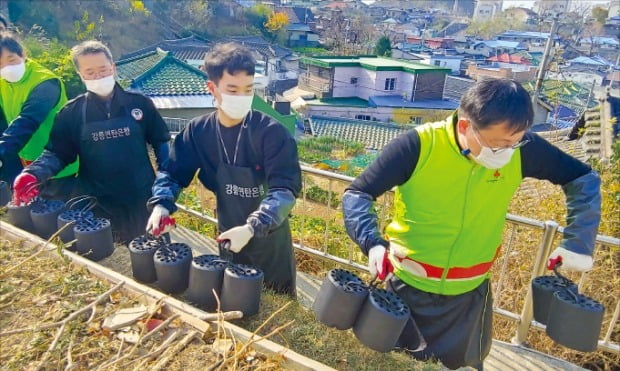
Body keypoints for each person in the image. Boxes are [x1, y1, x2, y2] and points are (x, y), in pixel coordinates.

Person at [342, 78, 601, 370]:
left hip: (469, 296)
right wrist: (372, 244)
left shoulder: (523, 149)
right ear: (465, 127)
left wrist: (578, 243)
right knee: (390, 364)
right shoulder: (418, 145)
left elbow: (583, 179)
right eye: (498, 143)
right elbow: (357, 193)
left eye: (515, 143)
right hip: (405, 290)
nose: (507, 151)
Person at [147, 43, 301, 295]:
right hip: (228, 232)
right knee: (233, 297)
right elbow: (173, 173)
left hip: (270, 236)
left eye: (248, 90)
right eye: (232, 89)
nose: (241, 97)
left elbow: (284, 190)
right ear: (212, 88)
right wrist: (162, 205)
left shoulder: (271, 133)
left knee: (275, 305)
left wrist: (252, 227)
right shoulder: (199, 131)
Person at [13, 40, 171, 244]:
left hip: (142, 198)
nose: (98, 76)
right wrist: (33, 173)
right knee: (110, 257)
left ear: (113, 68)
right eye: (90, 72)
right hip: (98, 201)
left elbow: (161, 142)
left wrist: (166, 184)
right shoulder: (71, 112)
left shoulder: (139, 103)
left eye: (103, 70)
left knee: (155, 256)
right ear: (80, 75)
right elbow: (58, 153)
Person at [0, 30, 78, 190]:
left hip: (59, 163)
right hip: (28, 160)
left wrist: (1, 150)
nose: (7, 68)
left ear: (23, 53)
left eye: (11, 60)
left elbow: (27, 120)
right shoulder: (3, 82)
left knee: (59, 209)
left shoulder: (45, 83)